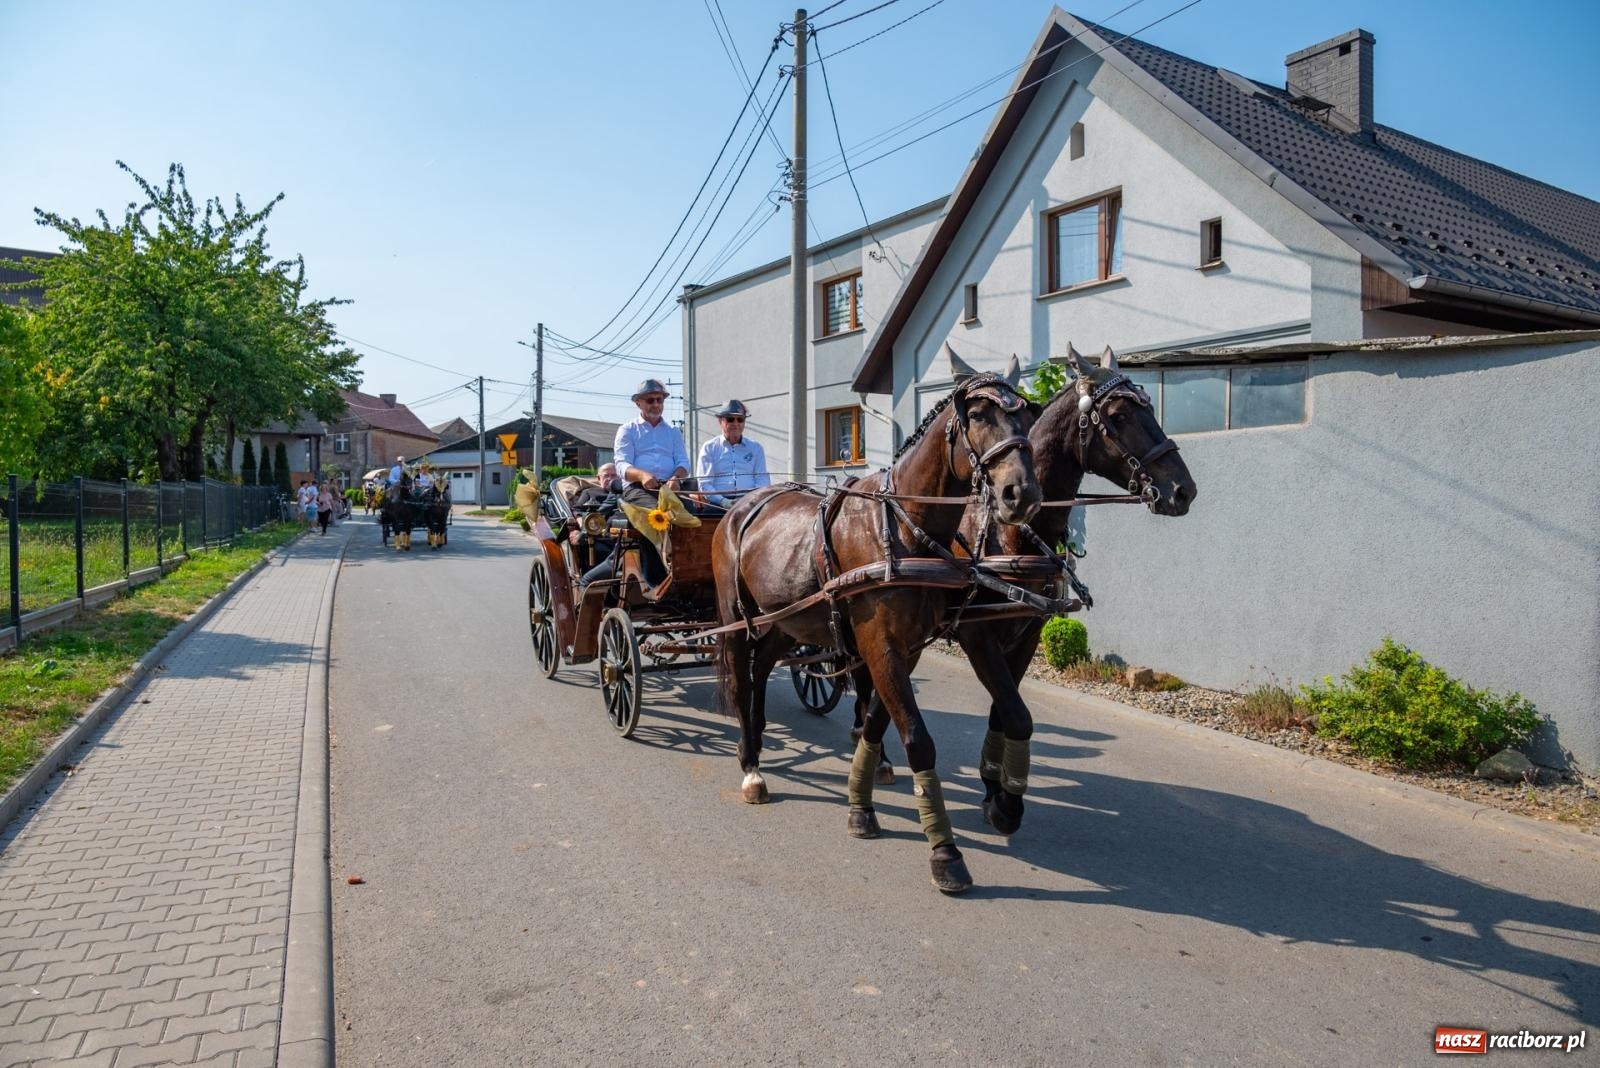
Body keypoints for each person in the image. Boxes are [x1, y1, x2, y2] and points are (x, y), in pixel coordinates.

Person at [696, 399, 770, 510]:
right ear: (720, 421)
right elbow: (705, 483)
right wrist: (723, 501)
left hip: (751, 504)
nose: (736, 423)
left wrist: (750, 499)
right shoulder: (709, 448)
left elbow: (762, 480)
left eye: (740, 419)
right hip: (717, 504)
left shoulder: (756, 448)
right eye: (730, 419)